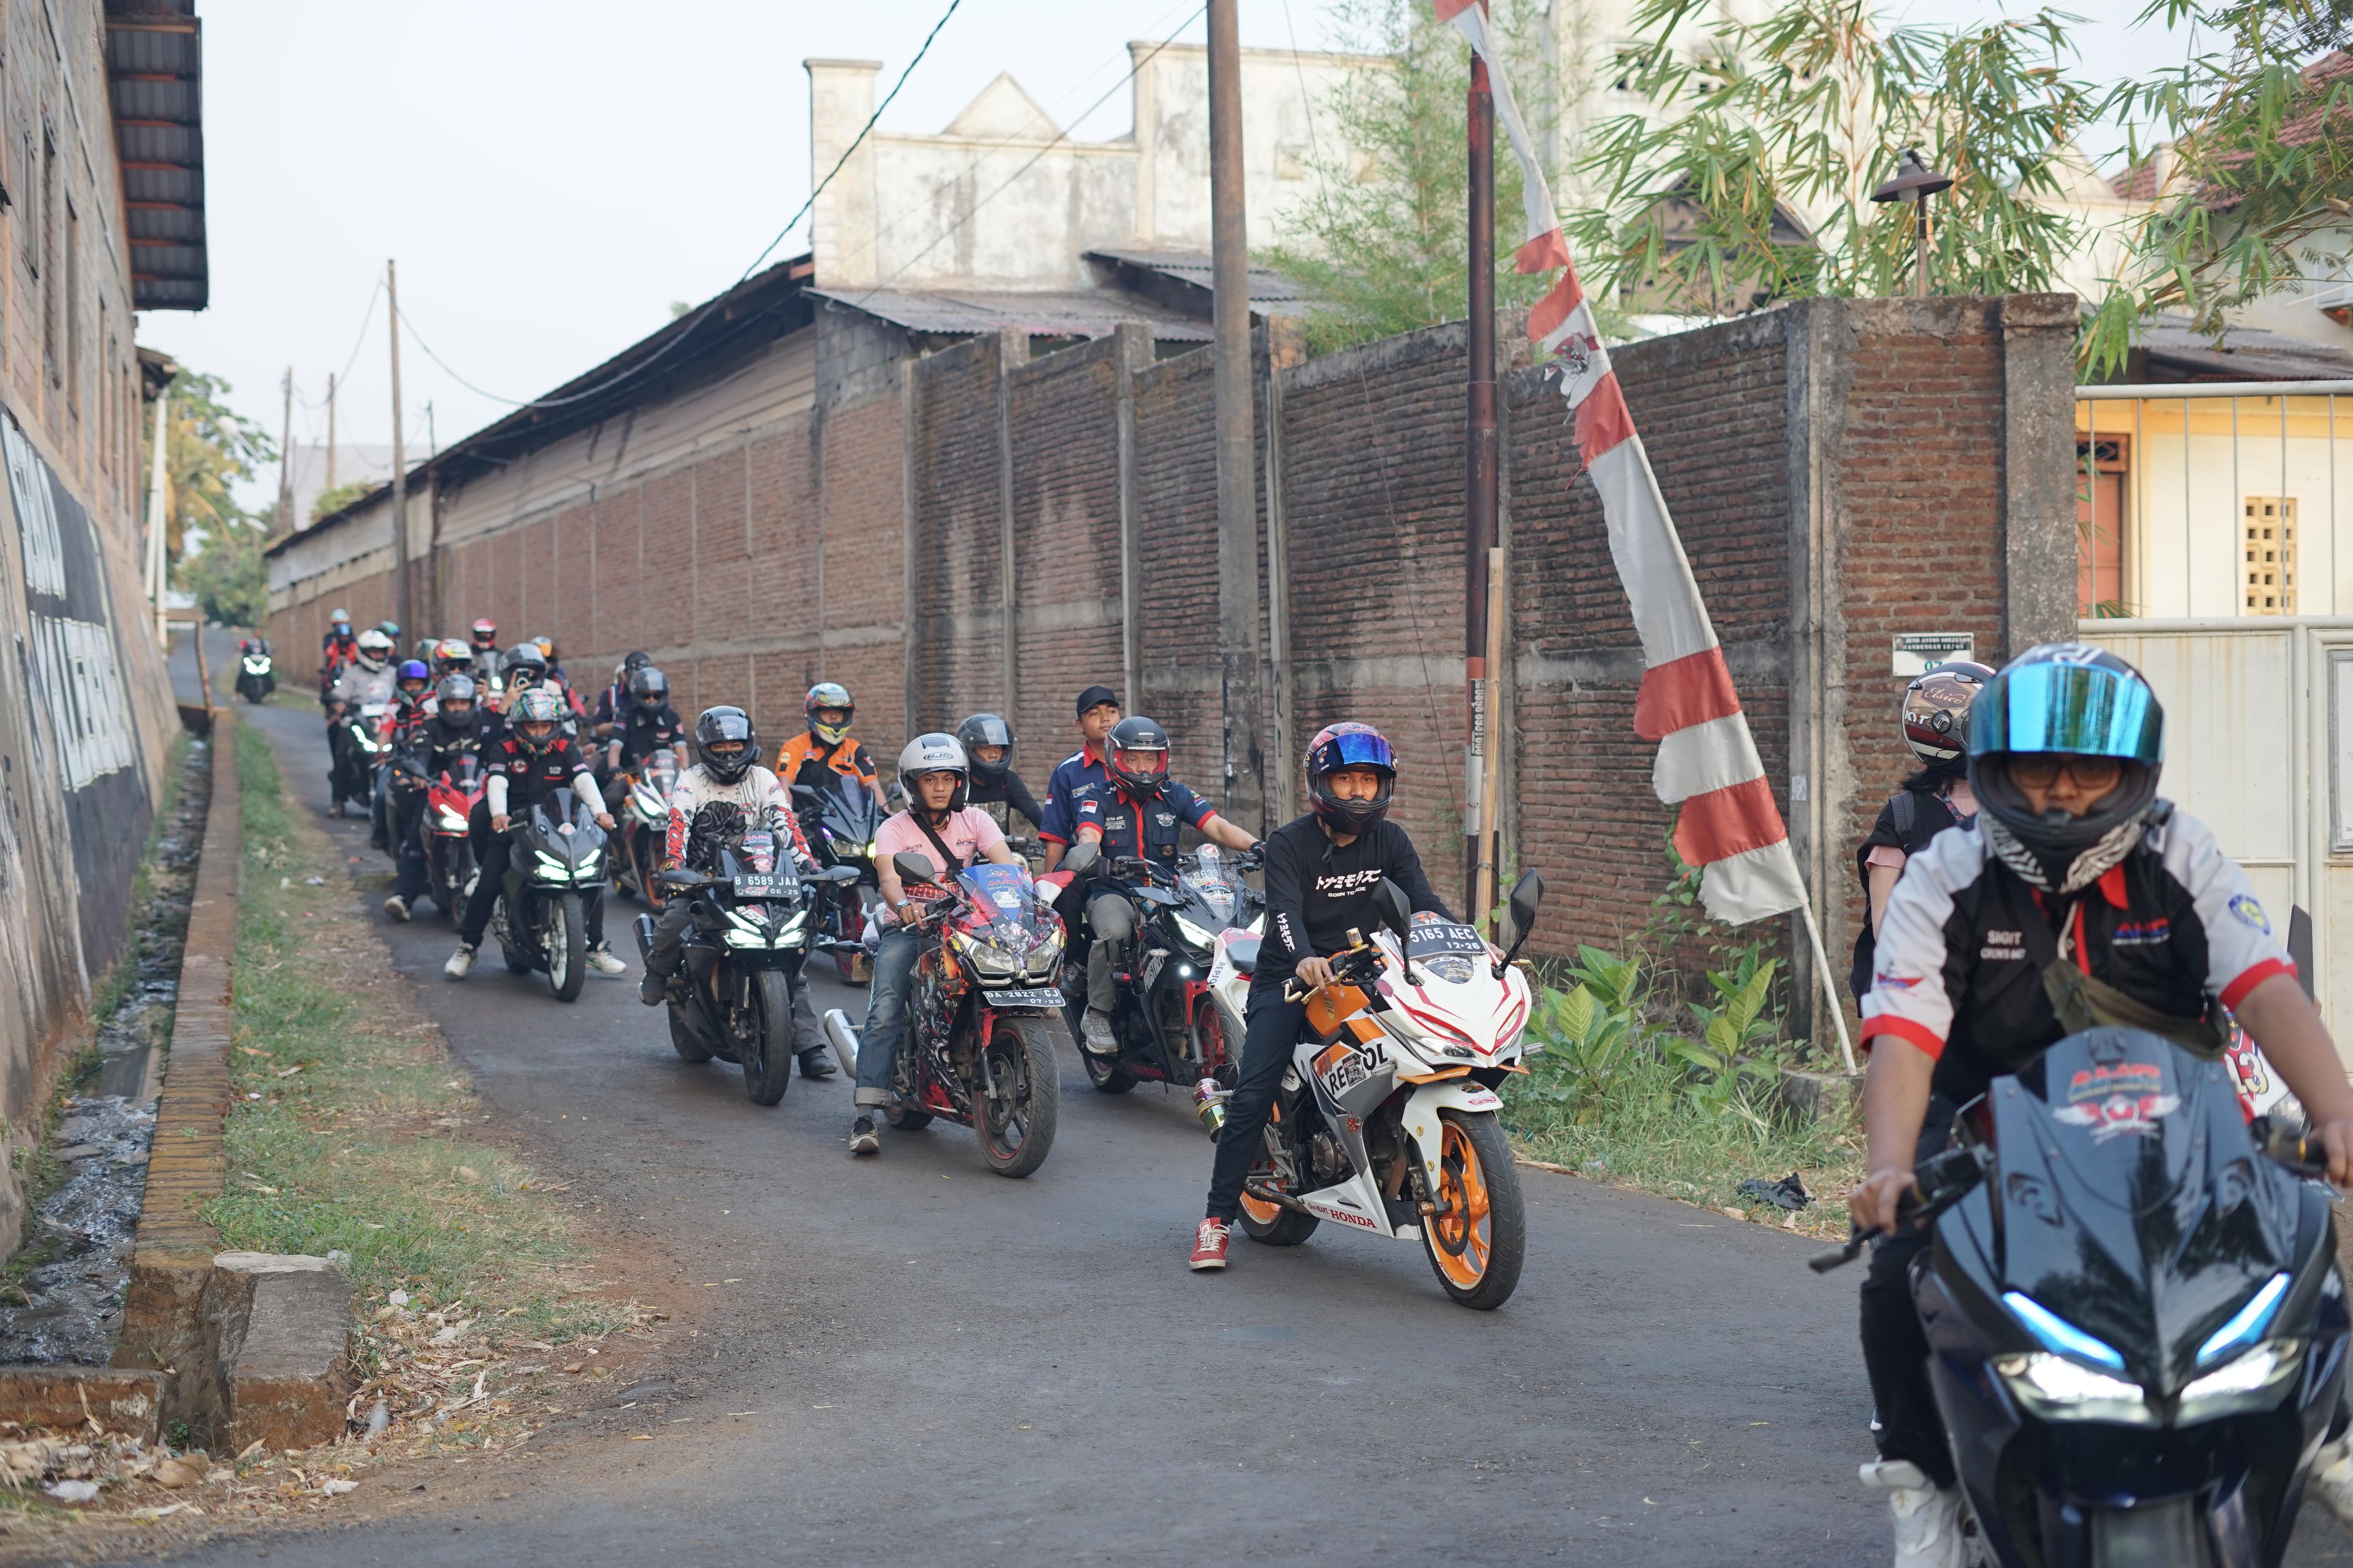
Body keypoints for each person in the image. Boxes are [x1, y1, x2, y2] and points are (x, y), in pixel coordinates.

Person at [1850, 643, 2353, 1566]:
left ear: (2134, 776)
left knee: (2300, 1227)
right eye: (2039, 766)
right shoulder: (1944, 870)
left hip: (2171, 1103)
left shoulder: (2181, 851)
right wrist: (1889, 1166)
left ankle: (2331, 1431)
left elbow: (2267, 987)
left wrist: (2336, 1111)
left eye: (2091, 770)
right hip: (1981, 1103)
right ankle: (1922, 1485)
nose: (2062, 793)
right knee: (1898, 1271)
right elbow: (1907, 1038)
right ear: (1993, 769)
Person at [1191, 722, 1453, 1272]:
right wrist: (1306, 960)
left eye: (1367, 780)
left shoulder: (1392, 841)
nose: (1358, 792)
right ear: (1319, 784)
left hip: (1370, 973)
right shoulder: (1290, 844)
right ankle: (1215, 1221)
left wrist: (1459, 941)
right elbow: (1283, 914)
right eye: (1345, 781)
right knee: (1255, 1090)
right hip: (1289, 981)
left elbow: (1423, 903)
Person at [636, 706, 835, 1081]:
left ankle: (809, 1046)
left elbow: (785, 823)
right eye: (720, 745)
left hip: (760, 877)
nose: (729, 753)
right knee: (675, 918)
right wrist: (675, 864)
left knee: (790, 949)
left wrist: (809, 866)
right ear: (705, 747)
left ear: (749, 744)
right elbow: (677, 822)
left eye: (736, 744)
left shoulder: (763, 779)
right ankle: (657, 973)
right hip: (703, 878)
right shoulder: (690, 780)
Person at [849, 734, 1025, 1155]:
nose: (941, 787)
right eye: (931, 779)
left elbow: (1005, 867)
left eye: (949, 778)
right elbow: (889, 877)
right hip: (911, 927)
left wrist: (1021, 893)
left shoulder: (978, 822)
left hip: (968, 927)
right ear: (913, 784)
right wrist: (903, 904)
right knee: (887, 1005)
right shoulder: (894, 829)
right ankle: (864, 1115)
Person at [1067, 716, 1259, 1055]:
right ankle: (1097, 1012)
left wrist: (1259, 847)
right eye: (1133, 759)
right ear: (1116, 758)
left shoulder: (1177, 795)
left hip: (1167, 892)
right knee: (1115, 931)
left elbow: (1218, 827)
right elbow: (1089, 834)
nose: (1143, 768)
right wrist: (1094, 857)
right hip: (1115, 891)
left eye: (1150, 759)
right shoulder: (1098, 797)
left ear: (1162, 760)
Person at [442, 686, 628, 980]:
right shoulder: (503, 748)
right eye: (532, 725)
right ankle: (468, 946)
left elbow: (583, 780)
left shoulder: (566, 747)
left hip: (557, 826)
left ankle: (595, 947)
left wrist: (600, 812)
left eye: (545, 724)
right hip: (511, 828)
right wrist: (500, 813)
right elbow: (498, 783)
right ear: (519, 726)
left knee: (590, 875)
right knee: (489, 881)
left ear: (555, 725)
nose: (539, 731)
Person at [1848, 661, 1995, 1003]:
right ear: (1944, 730)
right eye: (1986, 724)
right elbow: (1887, 929)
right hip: (1922, 1000)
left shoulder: (2016, 810)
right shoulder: (1904, 817)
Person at [385, 673, 485, 922]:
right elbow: (421, 753)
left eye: (464, 703)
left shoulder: (483, 727)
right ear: (442, 705)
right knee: (417, 838)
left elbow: (497, 754)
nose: (459, 709)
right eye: (453, 704)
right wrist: (419, 774)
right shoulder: (431, 727)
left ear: (473, 704)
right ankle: (404, 898)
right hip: (439, 792)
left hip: (478, 795)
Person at [1038, 685, 1122, 871]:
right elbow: (1056, 836)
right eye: (1094, 714)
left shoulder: (1136, 764)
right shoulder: (1067, 771)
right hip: (1088, 870)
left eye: (1112, 711)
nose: (1105, 718)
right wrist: (1049, 888)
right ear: (1079, 725)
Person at [774, 682, 884, 809]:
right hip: (805, 821)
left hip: (847, 822)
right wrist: (788, 817)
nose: (834, 717)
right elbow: (785, 783)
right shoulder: (795, 746)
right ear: (814, 714)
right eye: (827, 712)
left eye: (838, 712)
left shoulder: (854, 749)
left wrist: (885, 817)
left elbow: (872, 784)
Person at [324, 629, 397, 813]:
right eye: (373, 652)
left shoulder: (393, 673)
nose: (377, 655)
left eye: (381, 652)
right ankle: (338, 801)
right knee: (342, 754)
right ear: (363, 652)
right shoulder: (353, 674)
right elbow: (340, 693)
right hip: (357, 722)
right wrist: (339, 703)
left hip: (388, 723)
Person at [372, 659, 437, 852]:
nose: (413, 688)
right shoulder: (394, 707)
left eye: (417, 684)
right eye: (409, 684)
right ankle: (380, 834)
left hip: (430, 761)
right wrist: (381, 750)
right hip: (401, 762)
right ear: (401, 686)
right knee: (382, 794)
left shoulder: (434, 706)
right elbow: (385, 730)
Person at [955, 712, 1043, 850]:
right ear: (969, 751)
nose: (994, 755)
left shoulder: (1009, 781)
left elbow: (1039, 818)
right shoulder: (958, 783)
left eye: (998, 748)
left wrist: (1063, 843)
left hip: (1001, 859)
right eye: (985, 748)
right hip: (963, 859)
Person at [604, 666, 686, 802]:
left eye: (657, 695)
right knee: (613, 797)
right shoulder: (625, 717)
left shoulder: (672, 717)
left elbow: (682, 749)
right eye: (646, 696)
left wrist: (684, 772)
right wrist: (614, 769)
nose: (652, 700)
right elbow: (615, 748)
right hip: (632, 775)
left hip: (665, 776)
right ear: (637, 696)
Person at [592, 651, 653, 744]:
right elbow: (599, 730)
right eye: (635, 676)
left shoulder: (655, 693)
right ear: (624, 675)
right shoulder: (611, 693)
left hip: (649, 745)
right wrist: (623, 724)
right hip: (618, 745)